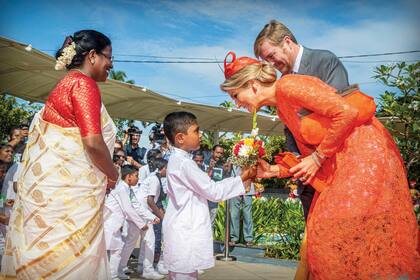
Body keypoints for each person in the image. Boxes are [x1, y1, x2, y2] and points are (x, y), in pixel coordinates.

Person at [220, 52, 420, 279]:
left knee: (330, 233)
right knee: (324, 236)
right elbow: (309, 154)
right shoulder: (282, 108)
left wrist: (317, 158)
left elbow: (346, 112)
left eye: (236, 95)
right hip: (340, 164)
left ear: (253, 85)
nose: (236, 102)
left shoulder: (288, 85)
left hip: (364, 157)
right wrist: (274, 170)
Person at [1, 30, 119, 279]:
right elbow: (93, 142)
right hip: (70, 200)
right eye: (109, 57)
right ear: (92, 56)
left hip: (54, 196)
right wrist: (112, 173)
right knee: (69, 262)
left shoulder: (65, 84)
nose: (112, 64)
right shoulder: (84, 84)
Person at [254, 20, 349, 221]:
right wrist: (293, 162)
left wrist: (316, 158)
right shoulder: (282, 83)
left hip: (338, 172)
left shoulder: (324, 60)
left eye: (271, 55)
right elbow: (290, 129)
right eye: (266, 60)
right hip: (307, 179)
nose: (271, 64)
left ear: (287, 42)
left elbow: (343, 111)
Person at [162, 111, 256, 280]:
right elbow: (213, 191)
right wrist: (242, 178)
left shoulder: (180, 160)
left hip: (182, 226)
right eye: (196, 131)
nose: (200, 135)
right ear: (180, 138)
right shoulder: (184, 163)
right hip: (185, 229)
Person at [104, 165, 158, 280]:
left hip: (115, 225)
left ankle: (116, 272)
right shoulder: (121, 189)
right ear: (128, 177)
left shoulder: (128, 189)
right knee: (113, 250)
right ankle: (112, 275)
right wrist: (141, 224)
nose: (138, 179)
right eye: (136, 176)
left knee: (116, 249)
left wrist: (152, 217)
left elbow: (137, 206)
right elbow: (128, 209)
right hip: (109, 224)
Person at [137, 158, 168, 279]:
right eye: (168, 168)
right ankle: (148, 270)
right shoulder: (155, 179)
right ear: (163, 168)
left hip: (142, 211)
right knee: (150, 240)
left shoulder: (154, 177)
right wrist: (159, 216)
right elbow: (150, 200)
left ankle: (141, 266)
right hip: (143, 211)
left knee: (146, 240)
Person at [205, 144, 232, 227]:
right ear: (213, 152)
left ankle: (209, 240)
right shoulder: (204, 161)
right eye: (217, 152)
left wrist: (227, 171)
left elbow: (224, 181)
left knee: (211, 224)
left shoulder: (222, 165)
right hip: (203, 199)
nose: (219, 155)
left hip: (214, 199)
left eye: (221, 153)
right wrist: (210, 168)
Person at [229, 166, 254, 247]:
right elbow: (228, 170)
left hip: (248, 188)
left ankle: (248, 239)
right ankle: (234, 238)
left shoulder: (252, 157)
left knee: (247, 214)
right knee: (234, 214)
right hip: (235, 188)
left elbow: (254, 172)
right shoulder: (233, 158)